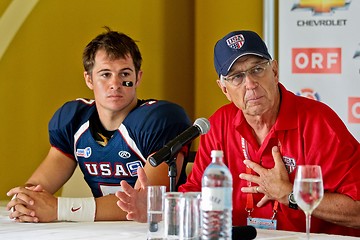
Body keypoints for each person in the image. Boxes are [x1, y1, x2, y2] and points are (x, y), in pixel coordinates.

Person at [116, 30, 360, 236]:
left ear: (274, 72)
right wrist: (154, 209)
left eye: (257, 70)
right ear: (224, 88)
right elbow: (198, 196)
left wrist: (290, 194)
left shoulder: (318, 123)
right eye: (237, 77)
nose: (250, 84)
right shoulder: (218, 125)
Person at [6, 26, 191, 223]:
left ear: (137, 78)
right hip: (101, 231)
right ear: (89, 79)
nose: (115, 83)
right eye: (105, 74)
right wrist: (25, 201)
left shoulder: (159, 119)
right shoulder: (74, 121)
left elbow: (147, 203)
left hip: (154, 229)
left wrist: (61, 209)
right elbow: (38, 185)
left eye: (125, 74)